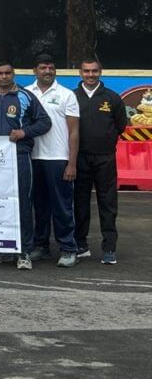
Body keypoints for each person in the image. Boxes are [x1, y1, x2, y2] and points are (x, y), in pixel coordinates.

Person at [0, 61, 51, 270]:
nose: (4, 76)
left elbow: (44, 122)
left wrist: (24, 132)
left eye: (7, 73)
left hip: (18, 156)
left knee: (21, 203)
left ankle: (24, 251)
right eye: (0, 73)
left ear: (13, 74)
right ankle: (2, 248)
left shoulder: (25, 96)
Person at [26, 54, 80, 268]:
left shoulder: (67, 95)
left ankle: (68, 248)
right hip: (33, 158)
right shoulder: (26, 94)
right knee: (39, 207)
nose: (47, 71)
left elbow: (74, 132)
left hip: (58, 159)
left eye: (51, 67)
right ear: (35, 71)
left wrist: (72, 163)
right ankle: (41, 246)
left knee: (62, 207)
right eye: (42, 67)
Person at [73, 57, 127, 265]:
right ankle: (81, 244)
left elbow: (121, 125)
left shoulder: (112, 98)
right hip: (79, 158)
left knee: (108, 203)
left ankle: (109, 248)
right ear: (80, 73)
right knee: (80, 203)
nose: (90, 75)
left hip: (105, 158)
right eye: (86, 71)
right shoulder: (72, 97)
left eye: (94, 71)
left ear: (100, 72)